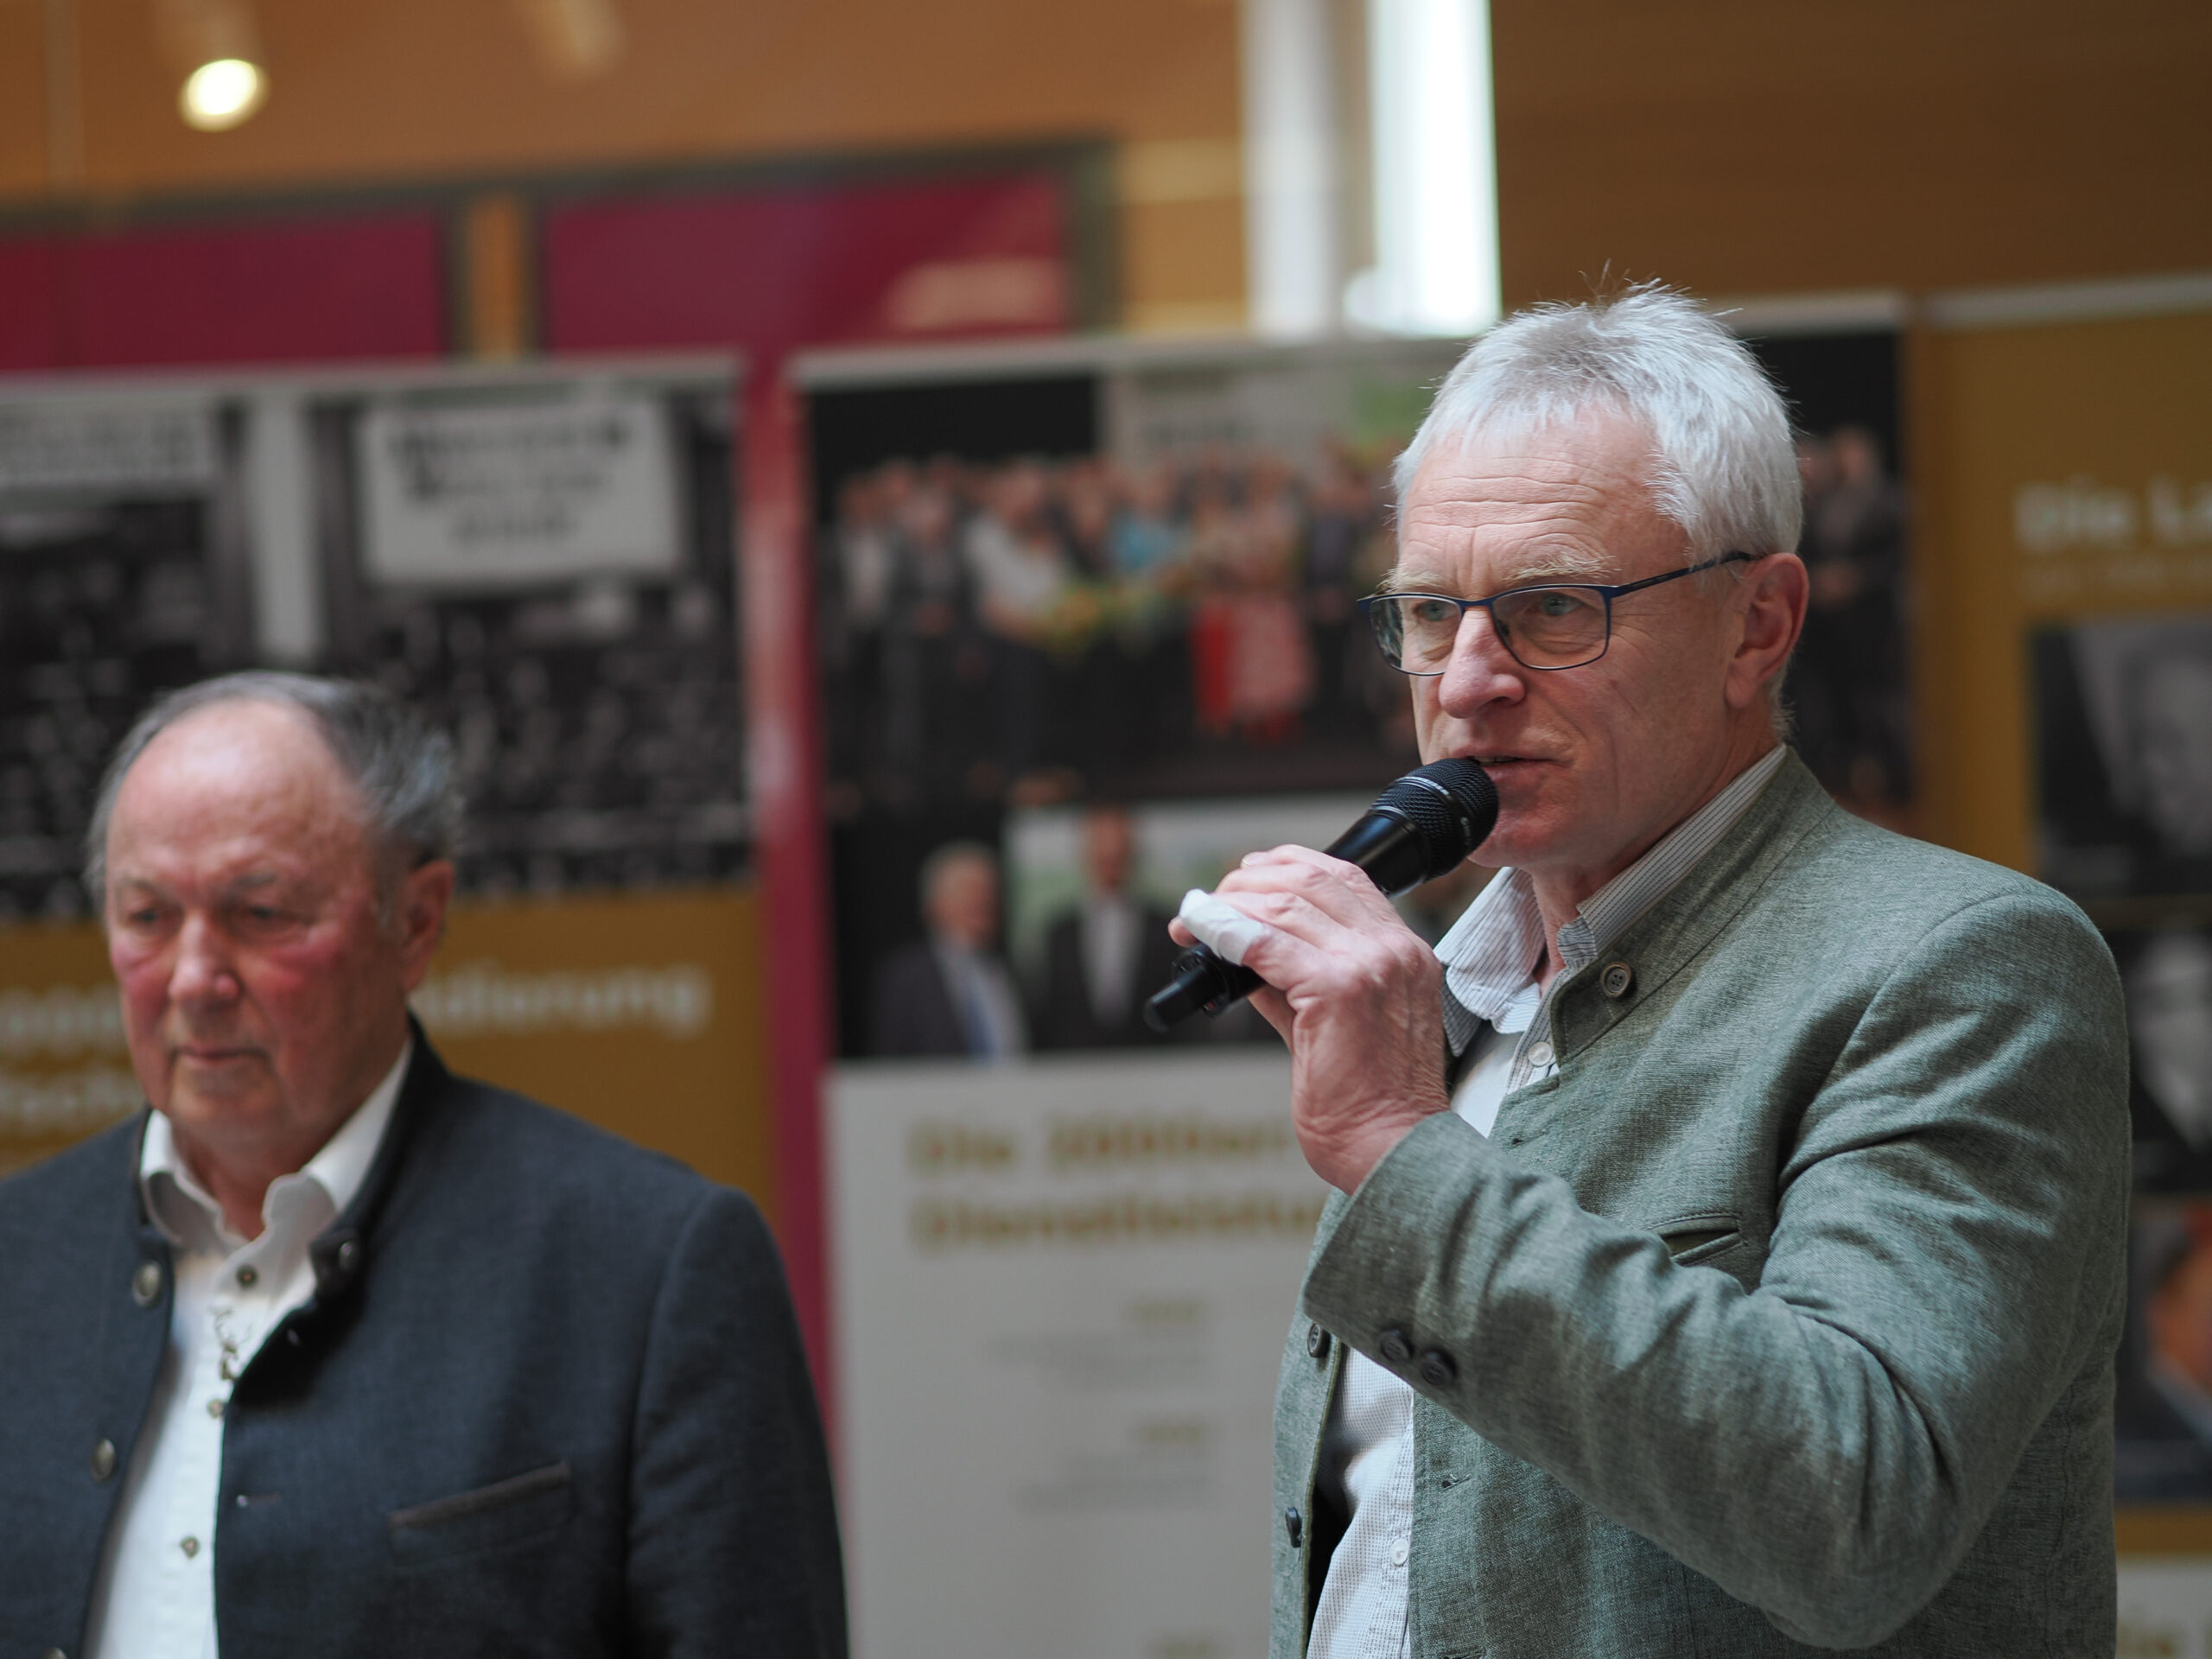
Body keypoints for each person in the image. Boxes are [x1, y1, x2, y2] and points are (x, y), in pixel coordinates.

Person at [1173, 288, 2130, 1656]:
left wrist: (1397, 1147)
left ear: (1759, 625)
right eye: (1433, 612)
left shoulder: (1963, 967)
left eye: (1553, 609)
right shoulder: (1453, 998)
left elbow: (1853, 1514)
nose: (1469, 681)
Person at [0, 672, 845, 1658]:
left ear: (415, 922)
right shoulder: (19, 1260)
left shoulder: (644, 1270)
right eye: (147, 917)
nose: (193, 978)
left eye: (260, 912)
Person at [1030, 805, 1184, 1050]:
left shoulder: (1166, 927)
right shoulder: (1058, 933)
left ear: (1133, 852)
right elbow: (1046, 1014)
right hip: (1075, 1063)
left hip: (1151, 1061)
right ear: (1086, 853)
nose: (1111, 856)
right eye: (1102, 848)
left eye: (1118, 849)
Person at [868, 841, 1027, 1060]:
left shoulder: (1008, 970)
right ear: (934, 904)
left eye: (989, 890)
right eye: (970, 890)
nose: (983, 899)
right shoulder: (905, 976)